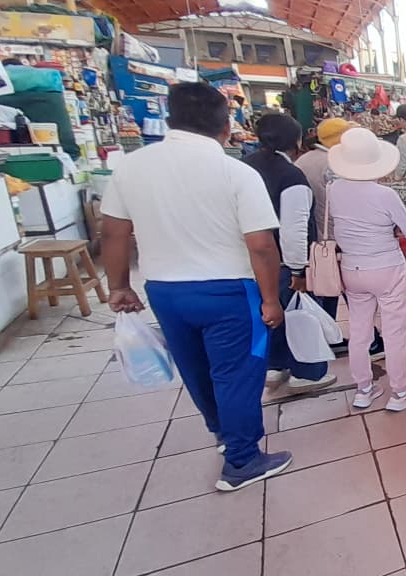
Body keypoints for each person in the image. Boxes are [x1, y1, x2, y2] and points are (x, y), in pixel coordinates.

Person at [100, 82, 291, 491]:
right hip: (229, 292)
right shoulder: (236, 172)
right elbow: (260, 245)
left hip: (166, 292)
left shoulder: (131, 167)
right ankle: (242, 460)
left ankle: (225, 434)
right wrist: (272, 299)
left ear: (169, 119)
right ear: (226, 127)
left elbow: (113, 233)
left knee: (196, 368)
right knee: (238, 373)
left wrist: (118, 287)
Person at [327, 127, 406, 411]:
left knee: (359, 331)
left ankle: (363, 389)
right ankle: (400, 393)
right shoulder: (384, 194)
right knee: (394, 332)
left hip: (351, 268)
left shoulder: (334, 189)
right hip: (385, 268)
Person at [242, 114, 336, 391]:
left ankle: (275, 366)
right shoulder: (290, 175)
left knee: (269, 312)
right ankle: (306, 372)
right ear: (295, 141)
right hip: (282, 260)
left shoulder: (245, 168)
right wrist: (299, 269)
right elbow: (294, 227)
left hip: (251, 259)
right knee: (297, 312)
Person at [295, 117, 387, 359]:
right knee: (353, 293)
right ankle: (370, 342)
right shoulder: (334, 164)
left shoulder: (304, 160)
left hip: (315, 236)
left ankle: (327, 337)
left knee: (324, 288)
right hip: (337, 235)